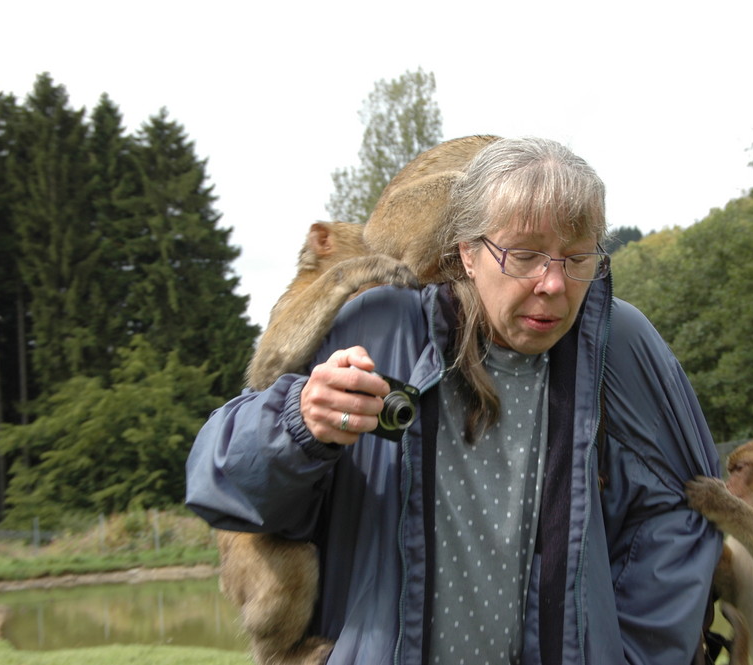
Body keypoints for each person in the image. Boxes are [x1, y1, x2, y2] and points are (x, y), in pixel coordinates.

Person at [186, 137, 721, 664]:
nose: (553, 283)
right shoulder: (380, 325)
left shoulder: (617, 341)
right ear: (467, 252)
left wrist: (632, 653)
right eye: (525, 255)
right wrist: (298, 425)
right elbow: (222, 486)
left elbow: (684, 508)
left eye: (577, 258)